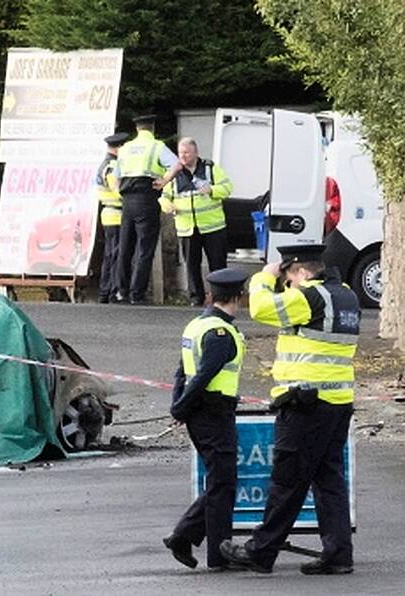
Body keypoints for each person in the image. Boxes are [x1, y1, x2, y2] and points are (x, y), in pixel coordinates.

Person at [220, 244, 360, 575]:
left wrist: (263, 278)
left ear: (300, 271)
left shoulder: (309, 296)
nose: (288, 283)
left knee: (287, 481)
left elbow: (262, 309)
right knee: (329, 479)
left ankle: (260, 551)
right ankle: (338, 553)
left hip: (306, 403)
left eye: (289, 277)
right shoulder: (346, 296)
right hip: (337, 401)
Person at [163, 267, 248, 571]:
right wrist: (181, 409)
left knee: (220, 480)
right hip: (212, 412)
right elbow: (202, 376)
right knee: (223, 481)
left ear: (212, 295)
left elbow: (181, 372)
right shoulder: (220, 333)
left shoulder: (196, 326)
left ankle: (186, 537)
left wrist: (179, 405)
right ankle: (215, 551)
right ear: (237, 297)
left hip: (203, 412)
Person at [114, 114, 182, 305]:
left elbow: (116, 176)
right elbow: (177, 165)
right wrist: (164, 181)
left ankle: (122, 291)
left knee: (125, 246)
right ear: (152, 128)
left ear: (137, 129)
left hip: (127, 200)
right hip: (147, 197)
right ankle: (137, 294)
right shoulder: (157, 146)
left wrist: (123, 193)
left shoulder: (125, 148)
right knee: (145, 248)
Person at [159, 138, 233, 306]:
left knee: (218, 264)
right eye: (180, 153)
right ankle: (196, 297)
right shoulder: (174, 173)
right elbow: (163, 197)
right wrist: (167, 206)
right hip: (187, 228)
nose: (182, 156)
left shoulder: (210, 168)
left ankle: (221, 297)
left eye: (186, 153)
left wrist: (212, 190)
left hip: (213, 226)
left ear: (196, 153)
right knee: (191, 265)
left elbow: (228, 188)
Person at [96, 132, 130, 303]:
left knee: (111, 255)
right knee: (116, 255)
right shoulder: (112, 166)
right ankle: (111, 291)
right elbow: (118, 190)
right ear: (119, 148)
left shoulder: (106, 163)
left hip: (110, 214)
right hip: (116, 214)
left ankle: (105, 291)